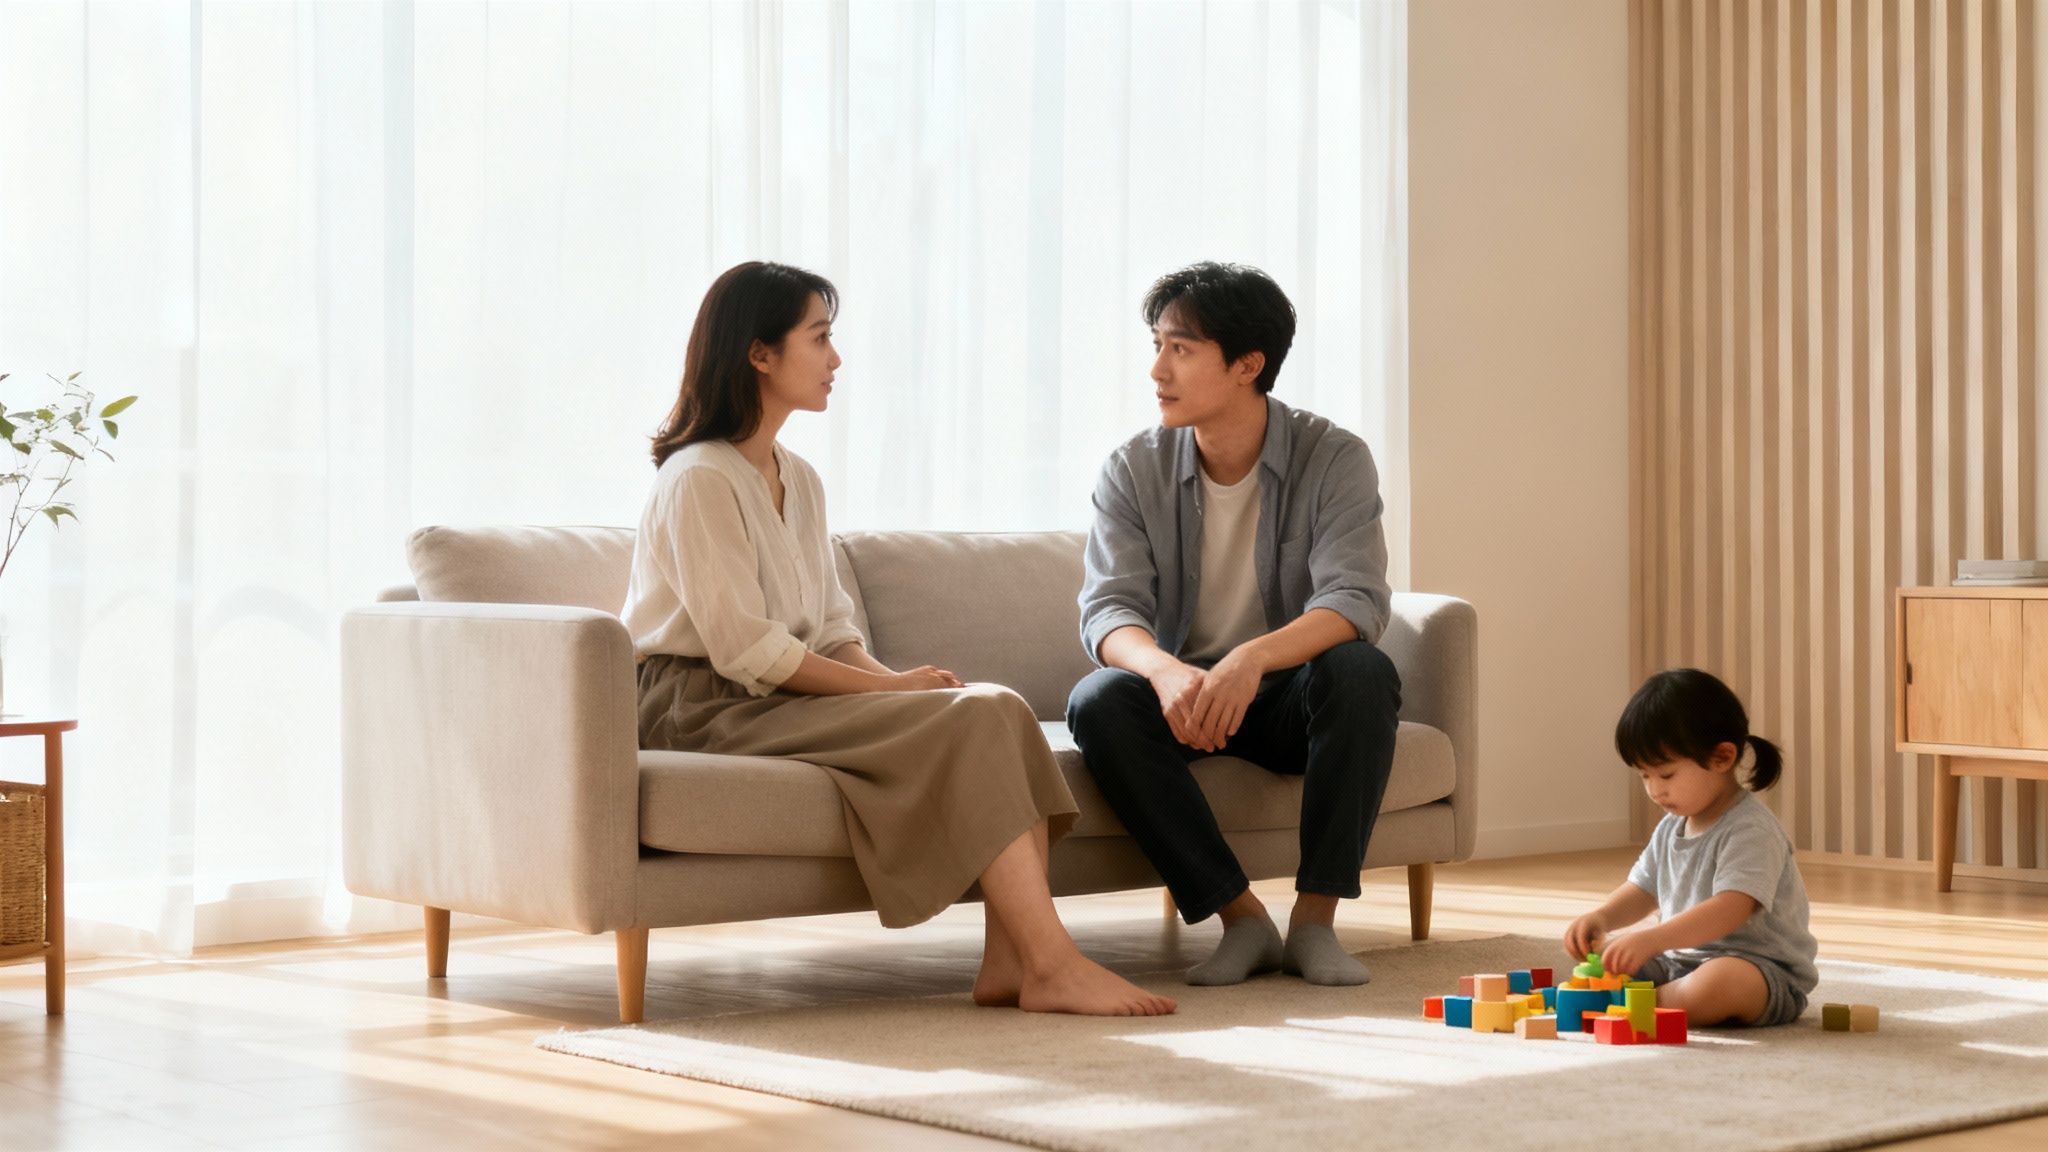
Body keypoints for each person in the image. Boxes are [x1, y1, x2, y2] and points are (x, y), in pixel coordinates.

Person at [624, 261, 1175, 1017]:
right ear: (759, 353)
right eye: (819, 339)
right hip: (699, 705)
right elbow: (745, 651)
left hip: (771, 693)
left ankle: (1011, 963)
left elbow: (829, 628)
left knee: (993, 705)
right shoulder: (697, 479)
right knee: (973, 712)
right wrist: (889, 693)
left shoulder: (800, 478)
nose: (835, 360)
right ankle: (1054, 962)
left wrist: (907, 687)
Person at [1067, 261, 1402, 987]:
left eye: (1180, 348)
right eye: (1156, 345)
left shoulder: (1334, 458)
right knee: (1097, 700)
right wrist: (1164, 670)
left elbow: (1355, 600)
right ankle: (1242, 919)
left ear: (1249, 364)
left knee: (1361, 672)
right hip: (1186, 698)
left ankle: (1315, 922)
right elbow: (1108, 611)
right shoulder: (1133, 468)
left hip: (1284, 699)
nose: (1158, 369)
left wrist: (1250, 659)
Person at [1563, 668, 1818, 1026]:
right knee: (1609, 958)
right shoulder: (1671, 827)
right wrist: (1602, 918)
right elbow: (1642, 889)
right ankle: (1636, 997)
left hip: (1758, 970)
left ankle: (1642, 1004)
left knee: (1722, 980)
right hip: (1677, 963)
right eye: (1644, 776)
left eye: (1665, 775)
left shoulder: (1751, 828)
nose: (1654, 790)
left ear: (1722, 758)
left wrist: (1651, 939)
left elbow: (1730, 908)